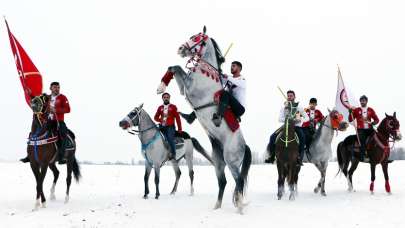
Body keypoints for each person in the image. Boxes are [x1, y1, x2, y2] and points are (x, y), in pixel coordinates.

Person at [180, 61, 246, 127]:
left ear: (239, 68)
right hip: (229, 104)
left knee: (225, 93)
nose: (231, 67)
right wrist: (216, 72)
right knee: (212, 97)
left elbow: (237, 82)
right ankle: (191, 117)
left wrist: (227, 77)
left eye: (234, 66)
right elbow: (219, 79)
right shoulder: (229, 79)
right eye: (231, 66)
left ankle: (219, 117)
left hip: (239, 109)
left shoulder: (242, 79)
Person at [20, 82, 71, 164]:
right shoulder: (46, 97)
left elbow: (68, 109)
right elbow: (36, 100)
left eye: (58, 87)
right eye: (54, 87)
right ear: (50, 88)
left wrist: (56, 110)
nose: (56, 89)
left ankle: (61, 157)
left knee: (63, 134)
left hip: (58, 121)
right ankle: (29, 155)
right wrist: (30, 93)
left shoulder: (63, 97)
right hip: (46, 121)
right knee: (33, 133)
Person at [265, 90, 309, 165]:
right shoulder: (284, 107)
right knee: (272, 137)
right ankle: (272, 156)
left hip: (296, 127)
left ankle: (299, 158)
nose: (289, 97)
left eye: (291, 96)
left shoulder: (299, 107)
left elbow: (307, 118)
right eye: (288, 96)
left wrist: (299, 119)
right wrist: (287, 119)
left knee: (302, 138)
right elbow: (279, 118)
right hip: (286, 126)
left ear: (294, 97)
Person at [349, 95, 379, 161]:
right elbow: (350, 119)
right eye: (361, 101)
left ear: (366, 101)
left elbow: (377, 120)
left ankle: (379, 154)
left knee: (378, 137)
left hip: (370, 129)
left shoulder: (371, 110)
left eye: (364, 101)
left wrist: (373, 123)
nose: (362, 102)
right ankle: (363, 156)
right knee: (362, 141)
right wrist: (350, 113)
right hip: (361, 130)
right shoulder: (356, 110)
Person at [154, 92, 183, 160]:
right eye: (164, 97)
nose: (166, 98)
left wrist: (180, 129)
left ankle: (173, 153)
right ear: (162, 99)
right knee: (156, 137)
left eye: (167, 97)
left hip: (170, 127)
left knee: (169, 138)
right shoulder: (160, 108)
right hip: (162, 127)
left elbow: (178, 118)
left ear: (169, 98)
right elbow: (155, 117)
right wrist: (160, 120)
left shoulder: (173, 107)